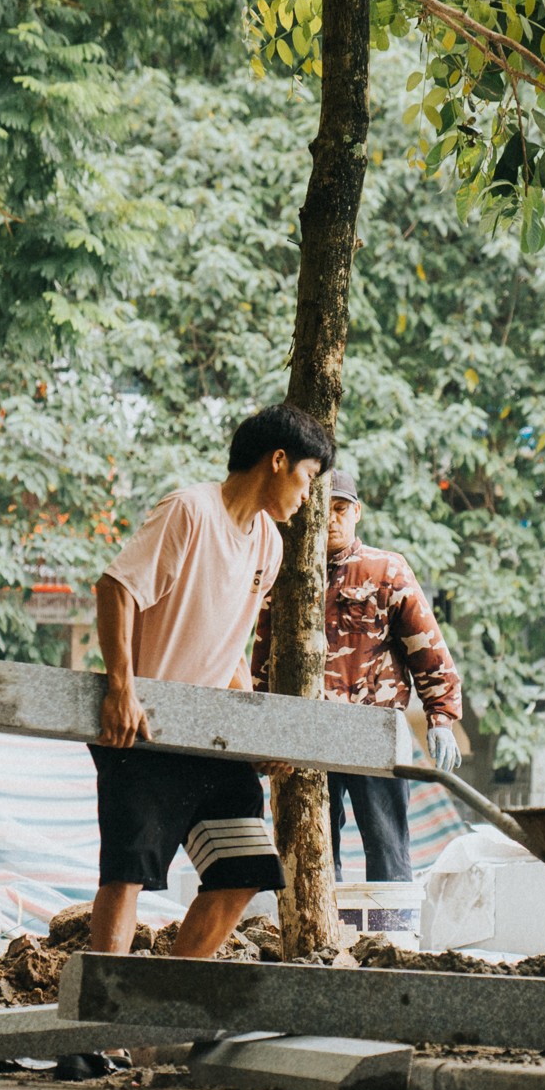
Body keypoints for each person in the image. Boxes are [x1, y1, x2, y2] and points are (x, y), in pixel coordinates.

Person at [86, 402, 333, 961]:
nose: (307, 493)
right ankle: (94, 1031)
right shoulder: (189, 511)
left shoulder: (268, 543)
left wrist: (252, 739)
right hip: (143, 732)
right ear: (277, 461)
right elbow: (115, 589)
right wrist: (122, 689)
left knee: (244, 870)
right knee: (128, 874)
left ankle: (164, 1004)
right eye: (308, 476)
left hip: (210, 740)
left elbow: (232, 649)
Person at [263, 469, 464, 883]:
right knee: (312, 849)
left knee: (387, 845)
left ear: (358, 512)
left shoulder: (386, 570)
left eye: (341, 509)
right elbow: (264, 655)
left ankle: (391, 940)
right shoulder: (286, 574)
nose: (332, 519)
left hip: (373, 729)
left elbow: (426, 646)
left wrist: (440, 717)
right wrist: (262, 727)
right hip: (306, 731)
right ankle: (322, 939)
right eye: (324, 509)